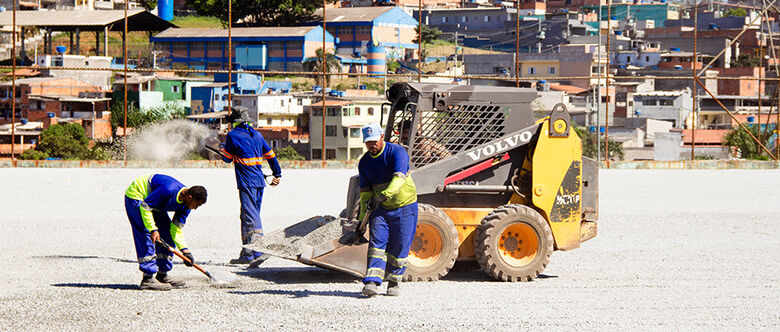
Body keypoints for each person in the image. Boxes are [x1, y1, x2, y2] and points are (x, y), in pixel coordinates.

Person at [357, 123, 418, 297]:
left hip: (405, 206)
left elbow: (398, 180)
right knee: (377, 243)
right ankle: (371, 282)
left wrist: (383, 195)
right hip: (381, 209)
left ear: (382, 137)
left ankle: (393, 282)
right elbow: (365, 195)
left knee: (400, 244)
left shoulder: (397, 153)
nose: (372, 145)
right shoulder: (365, 163)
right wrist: (362, 221)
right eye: (368, 142)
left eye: (374, 141)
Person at [219, 106, 282, 267]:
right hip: (260, 183)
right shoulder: (257, 135)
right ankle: (248, 252)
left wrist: (222, 150)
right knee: (249, 216)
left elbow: (227, 158)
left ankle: (258, 251)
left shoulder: (233, 135)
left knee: (250, 217)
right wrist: (277, 174)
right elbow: (271, 156)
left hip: (246, 182)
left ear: (235, 122)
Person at [124, 174, 207, 291]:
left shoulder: (186, 206)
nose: (195, 208)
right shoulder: (168, 190)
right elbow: (145, 207)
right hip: (138, 198)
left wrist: (185, 251)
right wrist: (153, 229)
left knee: (166, 234)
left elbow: (175, 229)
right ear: (189, 197)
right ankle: (147, 279)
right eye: (196, 205)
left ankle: (162, 275)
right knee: (147, 234)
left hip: (154, 203)